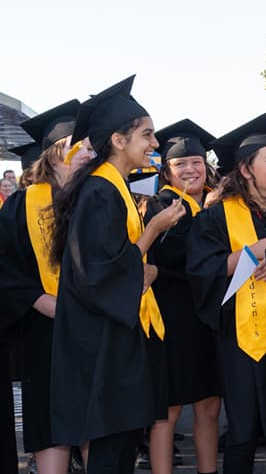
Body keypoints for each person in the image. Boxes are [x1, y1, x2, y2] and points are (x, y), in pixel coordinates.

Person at [48, 76, 186, 474]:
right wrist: (152, 231)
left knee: (123, 444)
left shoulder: (116, 188)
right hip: (102, 343)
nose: (155, 144)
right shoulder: (99, 192)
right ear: (118, 140)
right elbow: (98, 273)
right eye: (147, 135)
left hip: (118, 337)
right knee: (110, 449)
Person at [186, 113, 266, 474]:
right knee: (243, 430)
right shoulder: (216, 216)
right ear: (246, 170)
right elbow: (203, 270)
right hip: (240, 337)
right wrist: (255, 252)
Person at [0, 99, 93, 474]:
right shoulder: (21, 204)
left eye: (89, 145)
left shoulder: (99, 198)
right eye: (78, 145)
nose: (88, 151)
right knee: (50, 422)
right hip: (44, 332)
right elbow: (2, 265)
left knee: (95, 425)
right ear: (54, 154)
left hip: (94, 327)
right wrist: (39, 300)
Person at [143, 119, 222, 474]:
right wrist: (204, 216)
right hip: (173, 316)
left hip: (209, 317)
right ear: (167, 171)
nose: (191, 169)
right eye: (180, 164)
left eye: (197, 162)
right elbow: (176, 257)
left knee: (209, 406)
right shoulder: (162, 206)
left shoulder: (218, 206)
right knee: (169, 408)